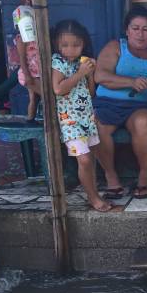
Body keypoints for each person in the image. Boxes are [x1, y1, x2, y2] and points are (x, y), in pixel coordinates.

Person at [93, 6, 147, 199]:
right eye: (135, 28)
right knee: (97, 126)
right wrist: (130, 82)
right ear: (127, 30)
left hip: (144, 106)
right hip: (108, 103)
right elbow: (100, 76)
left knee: (142, 123)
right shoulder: (115, 47)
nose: (140, 34)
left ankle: (145, 175)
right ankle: (111, 176)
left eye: (146, 29)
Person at [51, 20, 111, 212]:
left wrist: (89, 74)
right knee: (83, 159)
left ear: (83, 44)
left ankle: (92, 193)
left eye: (76, 45)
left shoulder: (82, 62)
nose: (70, 50)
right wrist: (80, 73)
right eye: (65, 45)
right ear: (57, 45)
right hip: (69, 121)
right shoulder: (58, 62)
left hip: (86, 117)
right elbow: (58, 89)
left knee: (91, 157)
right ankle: (93, 198)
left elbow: (91, 92)